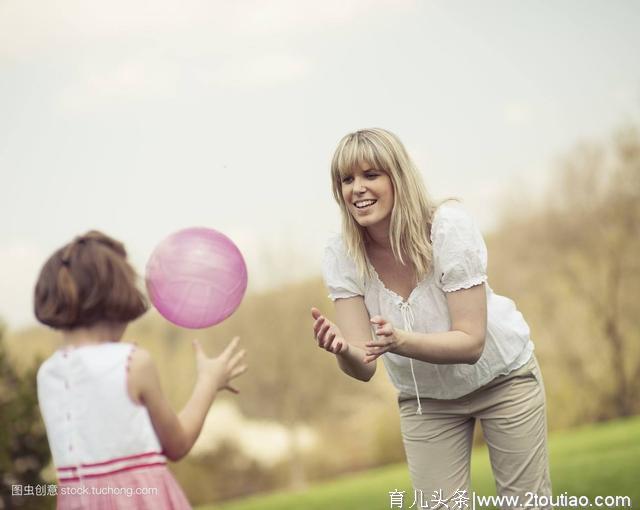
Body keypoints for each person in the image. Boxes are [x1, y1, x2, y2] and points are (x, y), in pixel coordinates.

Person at [311, 128, 551, 509]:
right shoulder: (342, 254)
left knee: (526, 504)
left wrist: (400, 341)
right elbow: (364, 365)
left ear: (397, 178)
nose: (357, 188)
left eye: (371, 175)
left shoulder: (447, 228)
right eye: (347, 179)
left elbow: (471, 343)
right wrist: (342, 349)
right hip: (428, 403)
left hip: (502, 380)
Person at [34, 230, 247, 509]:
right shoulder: (132, 363)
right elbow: (177, 444)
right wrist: (209, 380)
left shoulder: (48, 375)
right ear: (119, 297)